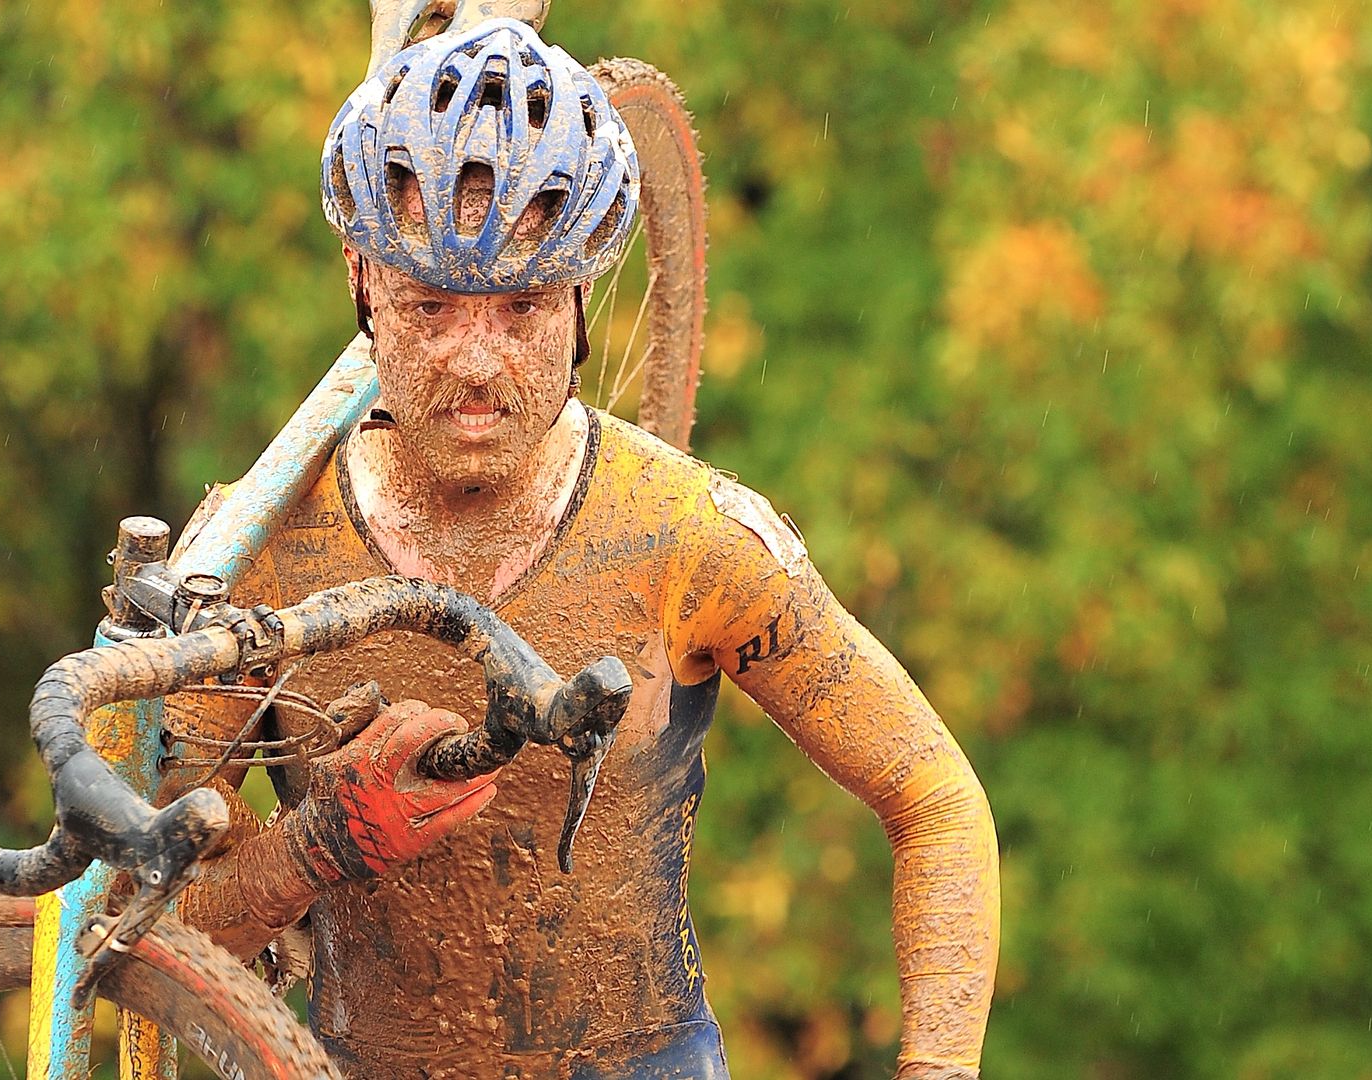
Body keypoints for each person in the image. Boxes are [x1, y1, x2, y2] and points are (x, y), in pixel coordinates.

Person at [171, 19, 998, 1079]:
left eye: (520, 308)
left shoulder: (685, 532)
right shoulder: (252, 553)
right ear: (362, 285)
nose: (476, 360)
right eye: (429, 306)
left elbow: (933, 798)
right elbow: (124, 936)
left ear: (580, 299)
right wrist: (306, 853)